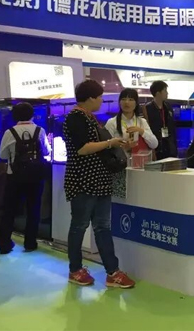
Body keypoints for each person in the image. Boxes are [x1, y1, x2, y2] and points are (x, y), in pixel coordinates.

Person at [63, 80, 135, 288]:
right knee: (79, 226)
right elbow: (82, 148)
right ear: (90, 98)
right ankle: (75, 269)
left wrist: (116, 146)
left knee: (102, 226)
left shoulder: (90, 118)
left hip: (100, 180)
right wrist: (110, 143)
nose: (102, 101)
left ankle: (112, 271)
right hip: (83, 180)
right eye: (100, 97)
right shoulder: (75, 118)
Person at [0, 102, 51, 254]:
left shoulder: (10, 132)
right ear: (32, 115)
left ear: (14, 116)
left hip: (14, 177)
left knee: (9, 211)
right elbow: (46, 151)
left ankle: (4, 244)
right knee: (33, 209)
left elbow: (2, 155)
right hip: (35, 176)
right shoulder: (40, 131)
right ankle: (30, 243)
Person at [105, 89, 158, 197]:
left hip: (140, 168)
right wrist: (123, 147)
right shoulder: (112, 122)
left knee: (140, 199)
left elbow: (154, 144)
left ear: (136, 102)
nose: (127, 102)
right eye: (124, 99)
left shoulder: (141, 122)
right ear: (119, 102)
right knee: (121, 202)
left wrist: (141, 131)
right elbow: (105, 147)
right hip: (120, 169)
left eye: (130, 99)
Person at [144, 81, 177, 160]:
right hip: (156, 147)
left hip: (169, 147)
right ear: (158, 93)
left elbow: (172, 128)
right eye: (165, 91)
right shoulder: (147, 109)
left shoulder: (168, 107)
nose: (167, 93)